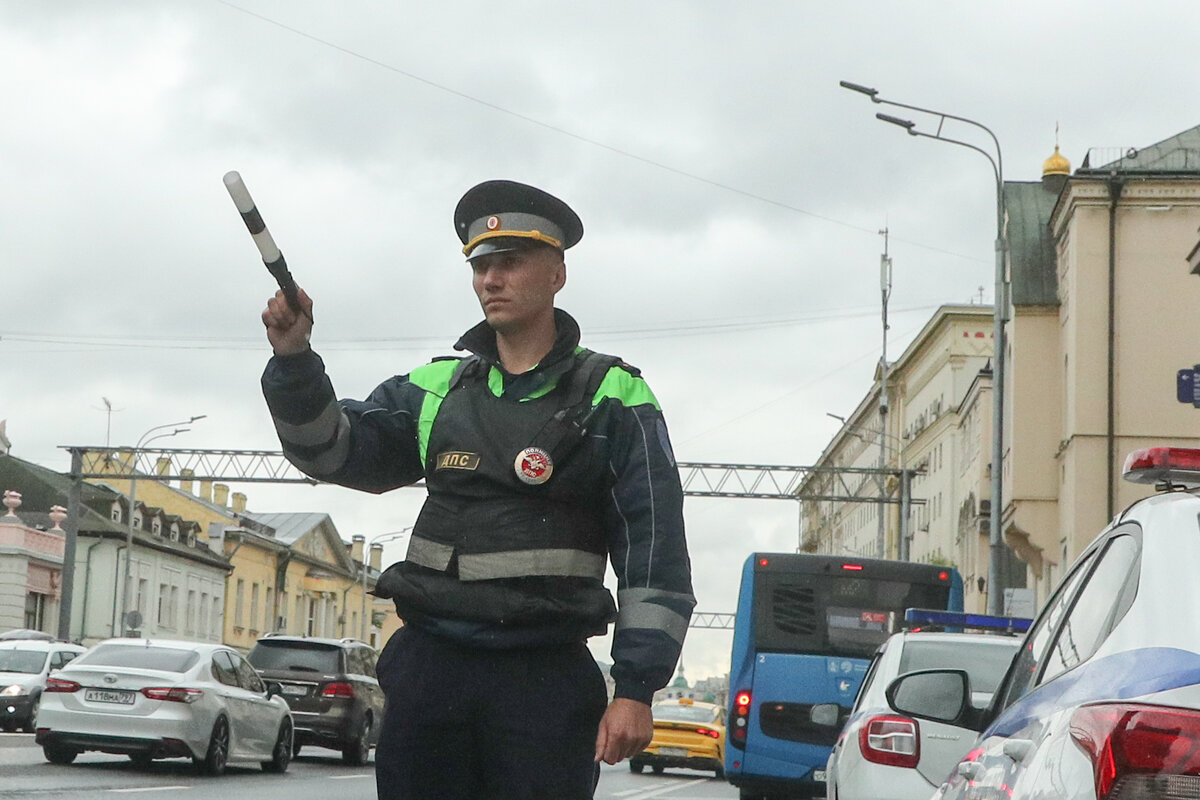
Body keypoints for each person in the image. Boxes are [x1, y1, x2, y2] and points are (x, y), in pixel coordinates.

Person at [259, 179, 694, 800]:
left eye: (509, 262)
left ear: (557, 274)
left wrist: (636, 689)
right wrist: (296, 359)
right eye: (481, 265)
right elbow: (333, 451)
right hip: (431, 668)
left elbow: (654, 552)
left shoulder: (615, 398)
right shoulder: (435, 389)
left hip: (544, 681)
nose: (491, 279)